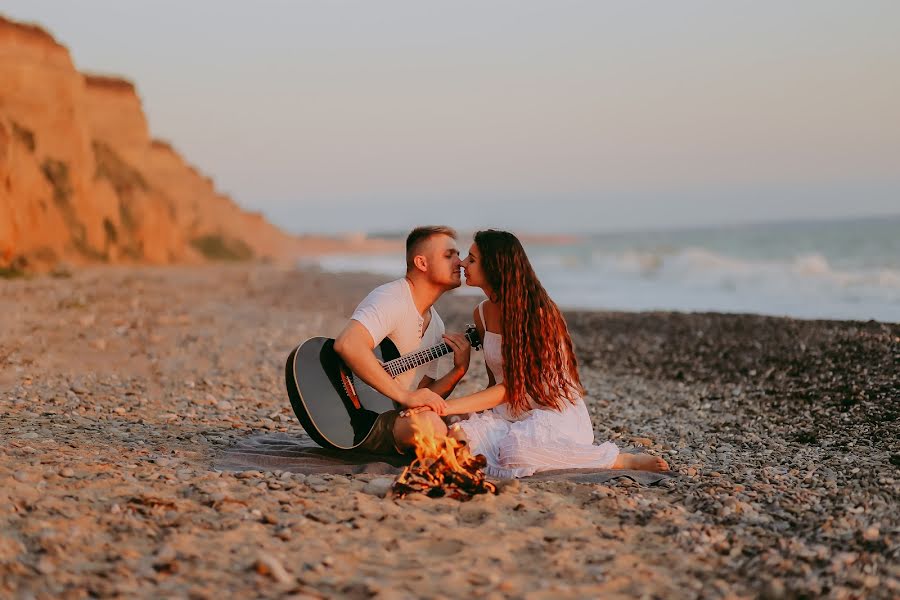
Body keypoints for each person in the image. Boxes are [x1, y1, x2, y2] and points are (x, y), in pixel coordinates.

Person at [443, 229, 669, 478]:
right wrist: (466, 412)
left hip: (552, 412)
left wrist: (446, 406)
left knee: (515, 453)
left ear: (495, 267)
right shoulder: (482, 313)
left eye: (472, 259)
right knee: (459, 439)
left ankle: (619, 460)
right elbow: (494, 383)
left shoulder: (538, 315)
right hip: (509, 412)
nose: (463, 263)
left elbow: (512, 388)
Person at [332, 225, 472, 455]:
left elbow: (424, 394)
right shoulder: (391, 298)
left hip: (394, 414)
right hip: (358, 418)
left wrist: (458, 371)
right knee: (433, 425)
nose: (460, 262)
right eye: (449, 255)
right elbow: (348, 344)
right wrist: (404, 396)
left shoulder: (436, 324)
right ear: (422, 263)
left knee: (470, 420)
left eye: (459, 254)